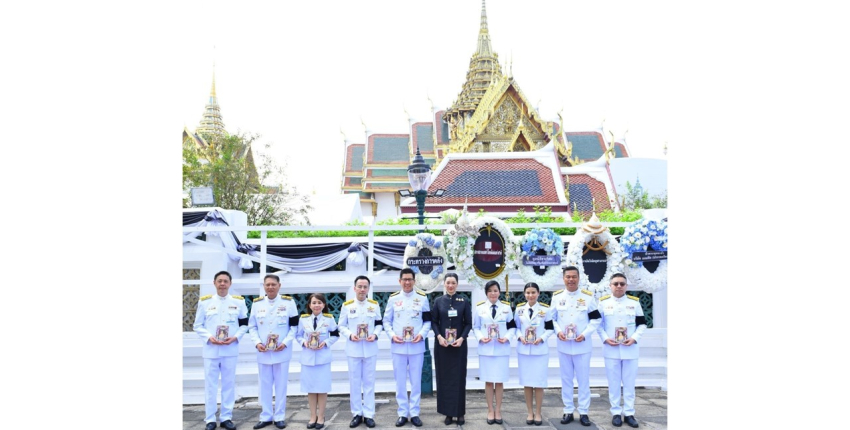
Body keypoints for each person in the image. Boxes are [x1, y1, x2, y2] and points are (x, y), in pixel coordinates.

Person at [193, 270, 249, 430]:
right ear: (214, 283)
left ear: (230, 284)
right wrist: (209, 337)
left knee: (228, 385)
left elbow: (244, 324)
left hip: (230, 349)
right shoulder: (205, 303)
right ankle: (210, 419)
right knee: (210, 386)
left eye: (225, 281)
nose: (222, 284)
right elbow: (197, 325)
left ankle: (226, 418)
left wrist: (236, 337)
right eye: (220, 281)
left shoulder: (239, 302)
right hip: (211, 350)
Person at [551, 266, 601, 427]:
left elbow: (596, 319)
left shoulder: (587, 297)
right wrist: (558, 331)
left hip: (582, 346)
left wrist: (585, 334)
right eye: (568, 277)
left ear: (579, 278)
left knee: (583, 380)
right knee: (566, 379)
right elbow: (551, 319)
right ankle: (568, 410)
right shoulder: (557, 297)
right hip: (564, 345)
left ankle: (584, 412)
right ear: (563, 278)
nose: (571, 279)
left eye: (574, 277)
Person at [248, 275, 300, 429]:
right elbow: (252, 327)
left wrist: (285, 343)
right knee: (264, 385)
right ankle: (265, 416)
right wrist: (257, 343)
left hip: (282, 351)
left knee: (281, 385)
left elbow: (294, 327)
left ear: (279, 285)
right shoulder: (257, 304)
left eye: (273, 284)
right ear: (264, 286)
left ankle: (279, 416)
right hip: (263, 352)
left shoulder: (289, 303)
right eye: (267, 284)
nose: (270, 287)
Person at [597, 273, 647, 428]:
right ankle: (616, 413)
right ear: (610, 286)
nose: (619, 286)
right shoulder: (603, 303)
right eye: (616, 283)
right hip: (611, 349)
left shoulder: (634, 302)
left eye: (622, 284)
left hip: (630, 349)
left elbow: (642, 324)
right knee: (613, 383)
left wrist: (634, 338)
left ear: (626, 286)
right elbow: (598, 325)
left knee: (629, 383)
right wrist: (605, 338)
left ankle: (629, 413)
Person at [383, 268, 432, 427]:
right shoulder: (393, 299)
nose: (407, 282)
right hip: (398, 346)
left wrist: (422, 335)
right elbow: (386, 322)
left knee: (416, 381)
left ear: (414, 281)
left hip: (416, 346)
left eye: (410, 279)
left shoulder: (422, 298)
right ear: (399, 281)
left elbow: (427, 321)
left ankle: (415, 412)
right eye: (404, 279)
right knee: (400, 382)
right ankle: (403, 412)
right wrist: (392, 335)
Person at [338, 276, 383, 428]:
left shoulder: (374, 305)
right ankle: (357, 413)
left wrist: (375, 335)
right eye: (360, 286)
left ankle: (369, 414)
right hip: (354, 349)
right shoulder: (347, 306)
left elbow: (379, 324)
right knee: (355, 383)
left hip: (370, 349)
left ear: (368, 288)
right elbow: (341, 326)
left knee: (369, 383)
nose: (362, 289)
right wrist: (350, 335)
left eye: (365, 287)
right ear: (354, 288)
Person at [430, 273, 472, 425]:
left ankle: (460, 413)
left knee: (459, 378)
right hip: (442, 346)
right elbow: (434, 322)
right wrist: (439, 337)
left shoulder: (464, 301)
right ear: (444, 284)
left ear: (457, 284)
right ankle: (448, 413)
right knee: (444, 378)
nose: (450, 285)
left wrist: (462, 338)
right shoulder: (438, 301)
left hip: (459, 346)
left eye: (453, 283)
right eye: (448, 283)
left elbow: (468, 323)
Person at [472, 280, 516, 425]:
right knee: (489, 382)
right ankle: (490, 410)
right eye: (490, 290)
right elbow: (476, 327)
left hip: (501, 349)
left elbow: (512, 327)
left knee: (500, 382)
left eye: (495, 290)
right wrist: (480, 337)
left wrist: (507, 337)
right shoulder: (480, 308)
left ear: (499, 292)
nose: (493, 293)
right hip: (486, 349)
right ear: (486, 293)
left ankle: (498, 410)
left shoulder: (506, 308)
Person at [296, 294, 340, 429]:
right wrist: (304, 342)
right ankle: (312, 416)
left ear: (323, 305)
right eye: (314, 303)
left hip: (322, 358)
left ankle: (321, 417)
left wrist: (326, 342)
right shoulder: (303, 320)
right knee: (310, 389)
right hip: (308, 358)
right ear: (309, 305)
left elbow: (335, 334)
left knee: (322, 389)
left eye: (319, 303)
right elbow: (298, 335)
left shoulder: (329, 318)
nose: (316, 305)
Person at [514, 282, 554, 426]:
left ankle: (538, 412)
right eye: (528, 293)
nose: (530, 295)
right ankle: (529, 412)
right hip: (524, 350)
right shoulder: (519, 309)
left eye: (533, 292)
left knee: (539, 383)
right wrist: (520, 337)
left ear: (538, 293)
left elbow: (550, 329)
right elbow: (516, 328)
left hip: (539, 351)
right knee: (527, 382)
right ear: (524, 294)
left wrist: (541, 338)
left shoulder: (545, 309)